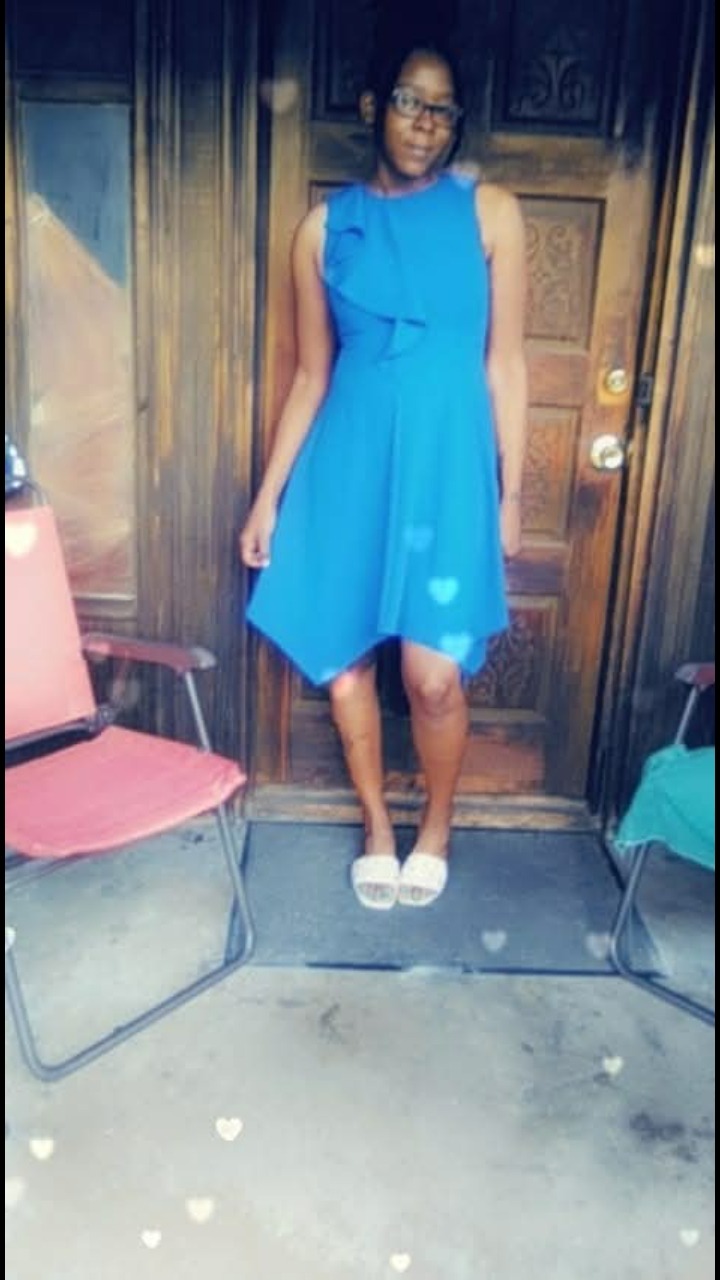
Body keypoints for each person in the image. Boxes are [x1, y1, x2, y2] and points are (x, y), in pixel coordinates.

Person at [240, 32, 527, 911]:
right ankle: (374, 823)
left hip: (446, 475)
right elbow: (310, 376)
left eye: (442, 109)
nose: (425, 122)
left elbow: (506, 365)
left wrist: (511, 493)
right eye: (409, 100)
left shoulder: (491, 214)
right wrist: (268, 498)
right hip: (349, 470)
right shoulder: (323, 230)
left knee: (432, 677)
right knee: (345, 663)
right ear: (374, 107)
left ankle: (437, 825)